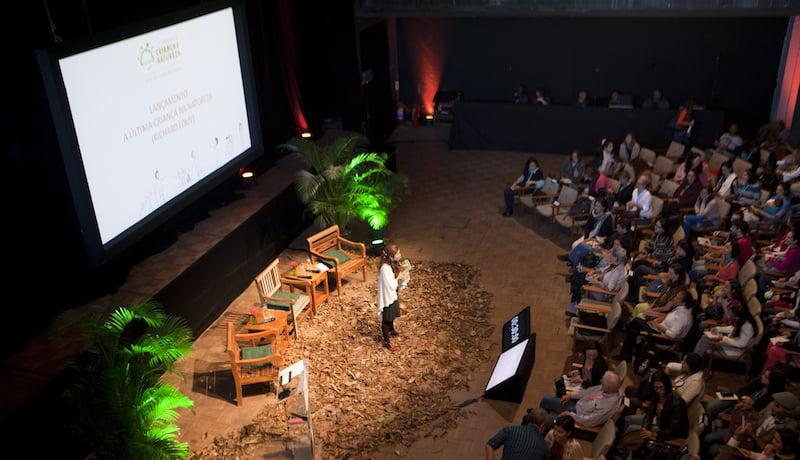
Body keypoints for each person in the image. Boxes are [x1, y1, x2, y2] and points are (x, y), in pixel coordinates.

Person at [620, 370, 689, 457]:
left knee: (631, 428)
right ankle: (624, 449)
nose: (659, 391)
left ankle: (629, 453)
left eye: (661, 387)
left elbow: (673, 428)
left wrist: (654, 434)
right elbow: (650, 412)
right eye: (656, 388)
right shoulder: (657, 394)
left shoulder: (677, 402)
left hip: (668, 431)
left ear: (666, 385)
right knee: (628, 419)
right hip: (660, 421)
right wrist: (645, 426)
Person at [613, 288, 693, 362]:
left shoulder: (682, 316)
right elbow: (667, 317)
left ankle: (625, 345)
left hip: (664, 338)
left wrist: (656, 325)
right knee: (633, 330)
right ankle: (627, 354)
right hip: (658, 329)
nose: (674, 298)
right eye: (675, 296)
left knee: (636, 322)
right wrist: (657, 320)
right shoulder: (679, 309)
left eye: (677, 298)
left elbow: (672, 334)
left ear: (684, 302)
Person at [539, 371, 622, 428]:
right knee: (545, 400)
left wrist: (571, 415)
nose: (600, 382)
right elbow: (586, 392)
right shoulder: (606, 389)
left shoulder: (607, 407)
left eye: (602, 382)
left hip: (577, 418)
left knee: (544, 421)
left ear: (607, 388)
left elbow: (589, 421)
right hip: (576, 405)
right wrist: (571, 395)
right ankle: (537, 416)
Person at [377, 244, 409, 351]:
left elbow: (393, 279)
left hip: (392, 294)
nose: (400, 255)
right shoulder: (385, 269)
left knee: (392, 315)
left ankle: (392, 330)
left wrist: (402, 275)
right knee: (387, 318)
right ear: (391, 256)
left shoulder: (392, 264)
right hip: (387, 297)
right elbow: (389, 284)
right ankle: (386, 341)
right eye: (398, 254)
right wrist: (399, 277)